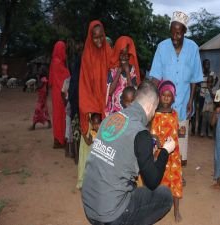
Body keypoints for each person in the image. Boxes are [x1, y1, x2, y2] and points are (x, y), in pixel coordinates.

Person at [82, 80, 175, 225]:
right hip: (110, 215)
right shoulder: (141, 134)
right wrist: (165, 151)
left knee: (131, 185)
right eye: (155, 109)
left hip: (89, 204)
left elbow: (121, 151)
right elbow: (152, 181)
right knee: (165, 196)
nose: (153, 115)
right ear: (151, 106)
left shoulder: (110, 119)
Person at [150, 11, 203, 167]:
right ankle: (163, 170)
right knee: (163, 137)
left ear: (185, 32)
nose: (175, 37)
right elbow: (155, 77)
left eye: (178, 34)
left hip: (183, 103)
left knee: (180, 138)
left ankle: (178, 172)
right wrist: (152, 101)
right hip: (164, 104)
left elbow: (194, 79)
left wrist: (191, 101)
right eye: (172, 33)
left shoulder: (193, 48)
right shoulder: (162, 47)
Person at [151, 80, 183, 222]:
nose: (165, 98)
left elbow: (177, 133)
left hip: (174, 157)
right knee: (159, 183)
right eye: (163, 95)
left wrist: (181, 131)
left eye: (169, 96)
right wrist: (156, 140)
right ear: (159, 96)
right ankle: (157, 209)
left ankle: (176, 210)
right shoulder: (155, 114)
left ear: (173, 98)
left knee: (176, 183)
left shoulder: (175, 114)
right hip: (161, 156)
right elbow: (152, 134)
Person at [79, 20, 112, 139]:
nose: (99, 41)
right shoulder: (86, 56)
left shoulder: (108, 52)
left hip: (107, 103)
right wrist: (92, 108)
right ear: (90, 37)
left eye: (101, 37)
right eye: (95, 38)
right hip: (92, 108)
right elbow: (84, 84)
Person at [106, 36, 140, 115]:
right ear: (117, 53)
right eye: (121, 54)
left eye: (126, 54)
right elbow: (110, 92)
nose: (124, 57)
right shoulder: (112, 70)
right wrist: (118, 72)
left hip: (128, 113)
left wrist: (128, 73)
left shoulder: (132, 71)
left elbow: (134, 94)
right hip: (114, 112)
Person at [48, 41, 70, 148]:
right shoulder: (58, 62)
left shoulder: (54, 61)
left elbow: (51, 80)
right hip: (60, 94)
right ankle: (60, 139)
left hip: (56, 93)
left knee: (58, 116)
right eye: (63, 49)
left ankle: (57, 139)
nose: (64, 51)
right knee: (61, 116)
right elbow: (66, 75)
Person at [76, 113, 101, 189]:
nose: (96, 126)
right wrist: (83, 134)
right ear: (92, 124)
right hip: (93, 156)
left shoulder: (103, 132)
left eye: (98, 123)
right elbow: (88, 142)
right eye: (94, 124)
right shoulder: (92, 132)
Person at [196, 59, 217, 135]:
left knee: (209, 115)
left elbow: (216, 79)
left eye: (208, 64)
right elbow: (197, 82)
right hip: (202, 95)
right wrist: (200, 87)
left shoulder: (212, 73)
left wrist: (212, 87)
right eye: (205, 64)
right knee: (202, 113)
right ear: (203, 65)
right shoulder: (200, 74)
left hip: (209, 96)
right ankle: (200, 131)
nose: (207, 66)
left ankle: (209, 131)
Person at [61, 77, 72, 157]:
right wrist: (65, 102)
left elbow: (62, 92)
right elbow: (62, 92)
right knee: (68, 129)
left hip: (72, 105)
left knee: (69, 129)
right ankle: (68, 150)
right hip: (70, 106)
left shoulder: (67, 80)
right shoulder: (67, 80)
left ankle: (69, 150)